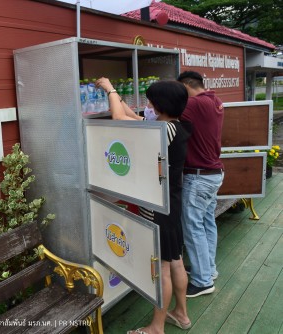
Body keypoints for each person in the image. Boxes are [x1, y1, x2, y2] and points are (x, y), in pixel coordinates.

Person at [96, 77, 192, 334]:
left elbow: (118, 119)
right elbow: (135, 118)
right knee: (176, 261)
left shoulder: (162, 130)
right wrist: (122, 101)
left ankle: (156, 327)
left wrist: (110, 89)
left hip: (158, 209)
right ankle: (181, 314)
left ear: (160, 105)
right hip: (172, 205)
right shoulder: (176, 127)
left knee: (161, 269)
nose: (147, 105)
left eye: (150, 102)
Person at [176, 71, 224, 298]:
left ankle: (202, 281)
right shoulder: (214, 100)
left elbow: (165, 117)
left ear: (185, 86)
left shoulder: (194, 104)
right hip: (213, 174)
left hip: (198, 177)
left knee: (193, 228)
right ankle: (208, 270)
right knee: (206, 224)